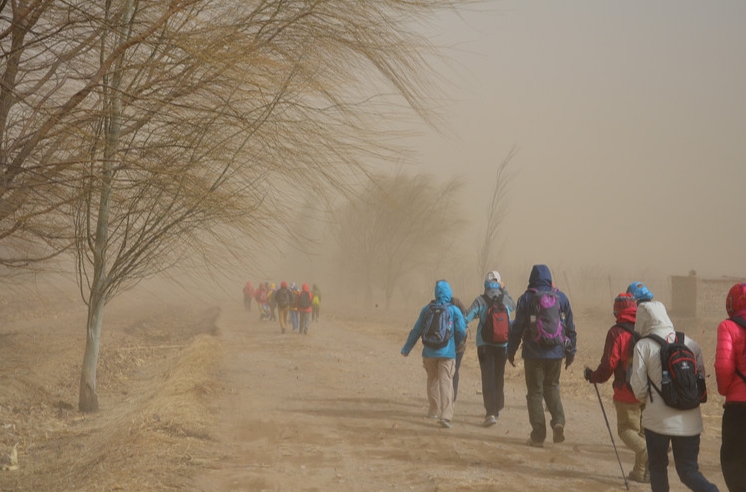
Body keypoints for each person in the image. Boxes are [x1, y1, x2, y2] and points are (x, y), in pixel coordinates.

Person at [629, 294, 719, 492]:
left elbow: (639, 389)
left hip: (657, 423)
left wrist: (653, 402)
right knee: (688, 471)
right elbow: (700, 379)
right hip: (690, 422)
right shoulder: (690, 342)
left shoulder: (642, 346)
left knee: (658, 468)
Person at [507, 264, 576, 447]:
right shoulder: (561, 297)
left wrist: (511, 351)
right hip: (556, 353)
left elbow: (517, 328)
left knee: (535, 393)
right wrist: (571, 353)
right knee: (552, 387)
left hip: (533, 353)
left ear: (532, 278)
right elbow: (570, 329)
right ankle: (559, 421)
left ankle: (538, 436)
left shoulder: (526, 299)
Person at [583, 292, 648, 483]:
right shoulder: (645, 328)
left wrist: (593, 377)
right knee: (643, 432)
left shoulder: (616, 333)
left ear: (617, 311)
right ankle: (640, 471)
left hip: (626, 391)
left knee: (626, 430)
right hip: (648, 391)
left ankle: (649, 455)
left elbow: (608, 366)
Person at [401, 280, 466, 429]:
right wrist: (455, 342)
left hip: (429, 352)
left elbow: (416, 330)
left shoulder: (426, 309)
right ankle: (446, 416)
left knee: (432, 380)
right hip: (447, 353)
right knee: (446, 382)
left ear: (436, 293)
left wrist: (406, 349)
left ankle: (433, 410)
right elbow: (461, 330)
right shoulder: (454, 309)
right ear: (449, 293)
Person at [463, 270, 516, 427]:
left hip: (485, 346)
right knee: (498, 377)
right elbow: (513, 305)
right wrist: (504, 289)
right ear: (499, 283)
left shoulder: (480, 300)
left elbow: (466, 317)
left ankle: (490, 413)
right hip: (502, 346)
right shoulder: (505, 299)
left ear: (485, 284)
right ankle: (497, 408)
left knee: (488, 378)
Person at [714, 282, 746, 492]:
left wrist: (725, 389)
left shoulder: (728, 327)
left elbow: (724, 367)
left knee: (733, 460)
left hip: (738, 408)